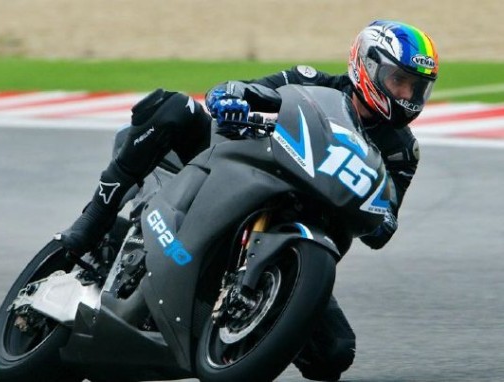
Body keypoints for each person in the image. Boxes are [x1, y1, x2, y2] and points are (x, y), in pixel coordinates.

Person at [55, 19, 439, 381]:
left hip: (300, 227)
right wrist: (233, 96)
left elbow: (383, 224)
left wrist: (380, 218)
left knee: (334, 353)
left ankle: (249, 324)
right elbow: (241, 90)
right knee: (175, 108)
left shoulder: (403, 152)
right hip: (242, 166)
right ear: (366, 66)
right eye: (399, 81)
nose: (407, 96)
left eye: (416, 88)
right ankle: (93, 221)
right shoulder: (310, 81)